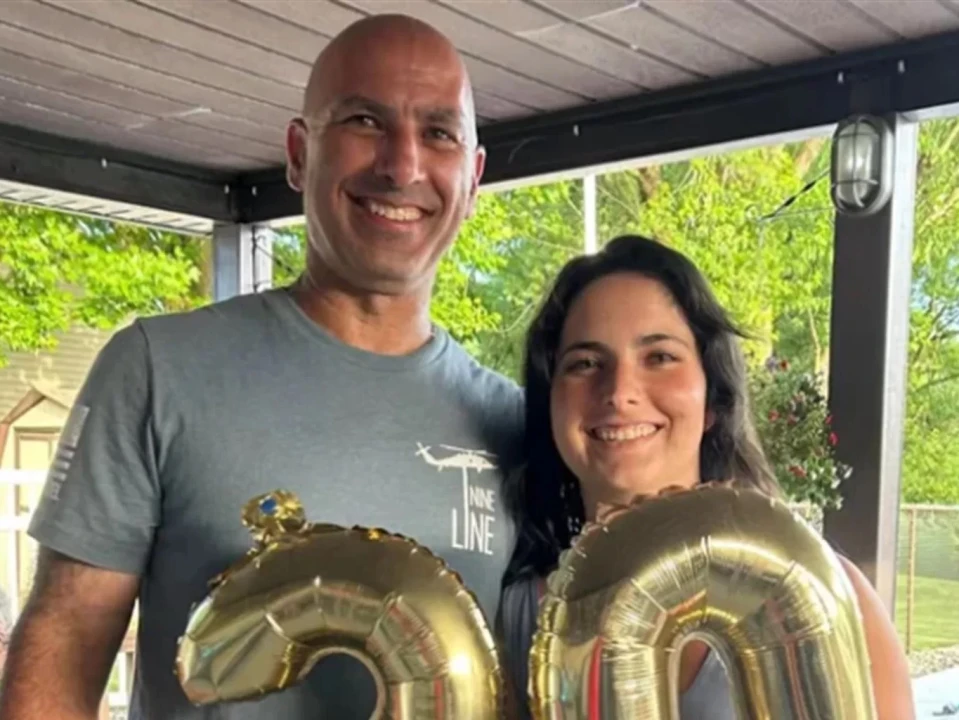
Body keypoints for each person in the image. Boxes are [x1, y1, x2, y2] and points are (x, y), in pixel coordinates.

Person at [0, 14, 523, 720]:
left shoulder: (515, 423)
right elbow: (63, 648)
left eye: (439, 133)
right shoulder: (158, 370)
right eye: (365, 121)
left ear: (473, 178)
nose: (402, 166)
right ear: (300, 155)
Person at [498, 235, 915, 719]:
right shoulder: (516, 619)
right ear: (551, 404)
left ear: (713, 399)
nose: (618, 391)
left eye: (659, 357)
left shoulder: (829, 597)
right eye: (585, 363)